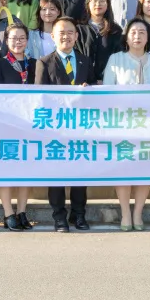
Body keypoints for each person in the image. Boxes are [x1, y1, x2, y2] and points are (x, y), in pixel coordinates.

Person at [103, 19, 150, 231]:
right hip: (122, 124)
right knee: (123, 168)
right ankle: (125, 213)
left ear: (148, 37)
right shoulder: (115, 60)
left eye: (142, 32)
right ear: (126, 37)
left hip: (148, 125)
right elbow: (107, 93)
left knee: (145, 169)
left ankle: (138, 212)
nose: (137, 36)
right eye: (133, 32)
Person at [35, 16, 96, 231]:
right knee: (57, 174)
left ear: (76, 36)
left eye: (70, 32)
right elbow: (39, 97)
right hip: (55, 127)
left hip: (81, 126)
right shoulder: (44, 62)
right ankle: (59, 216)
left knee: (80, 173)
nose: (66, 36)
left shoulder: (85, 61)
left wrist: (88, 90)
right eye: (61, 33)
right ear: (53, 36)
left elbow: (94, 92)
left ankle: (78, 215)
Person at [0, 23, 38, 231]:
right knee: (6, 170)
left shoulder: (35, 64)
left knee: (26, 170)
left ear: (27, 40)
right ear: (6, 41)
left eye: (22, 38)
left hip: (30, 124)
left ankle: (22, 211)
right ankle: (8, 213)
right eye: (13, 38)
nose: (18, 42)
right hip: (6, 124)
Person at [78, 0, 123, 80]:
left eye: (102, 0)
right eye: (94, 0)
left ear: (108, 4)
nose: (98, 4)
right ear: (88, 4)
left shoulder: (115, 30)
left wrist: (106, 79)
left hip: (108, 82)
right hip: (84, 82)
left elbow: (119, 59)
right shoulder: (79, 30)